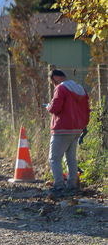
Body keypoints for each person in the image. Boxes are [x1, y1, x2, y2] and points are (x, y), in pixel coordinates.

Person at [46, 69, 90, 197]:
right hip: (77, 129)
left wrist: (48, 106)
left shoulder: (61, 88)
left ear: (56, 78)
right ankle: (72, 185)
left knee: (54, 158)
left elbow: (56, 108)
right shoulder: (81, 89)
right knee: (70, 158)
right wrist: (83, 125)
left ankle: (59, 186)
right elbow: (87, 109)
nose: (54, 85)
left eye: (52, 83)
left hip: (62, 129)